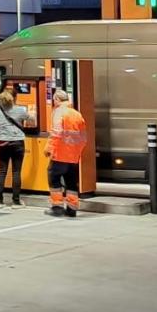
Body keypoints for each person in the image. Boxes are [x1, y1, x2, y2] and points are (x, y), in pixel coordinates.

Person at [46, 89, 88, 218]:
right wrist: (77, 152)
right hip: (73, 156)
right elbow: (83, 138)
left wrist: (49, 148)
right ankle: (72, 209)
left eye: (54, 100)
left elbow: (56, 133)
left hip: (60, 154)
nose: (54, 102)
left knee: (53, 178)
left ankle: (57, 207)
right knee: (71, 182)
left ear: (57, 100)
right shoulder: (77, 114)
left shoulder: (59, 112)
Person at [0, 90, 29, 207]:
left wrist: (1, 130)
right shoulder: (20, 110)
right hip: (17, 143)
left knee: (2, 171)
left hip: (3, 143)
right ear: (12, 99)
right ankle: (16, 201)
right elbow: (32, 120)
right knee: (16, 172)